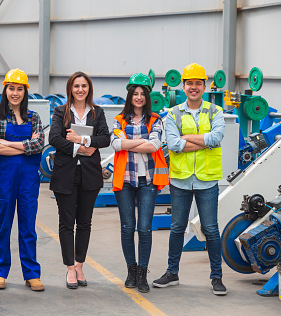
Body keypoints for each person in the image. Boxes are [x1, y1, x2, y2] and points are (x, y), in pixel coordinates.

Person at [152, 63, 227, 295]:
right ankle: (172, 272)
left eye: (198, 83)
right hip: (181, 179)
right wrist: (201, 140)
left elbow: (216, 139)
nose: (193, 87)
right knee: (176, 228)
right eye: (189, 83)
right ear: (183, 86)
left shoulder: (216, 111)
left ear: (204, 86)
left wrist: (188, 138)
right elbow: (173, 144)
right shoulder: (173, 113)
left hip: (207, 180)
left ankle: (217, 277)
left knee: (211, 229)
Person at [48, 71, 110, 289]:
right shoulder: (60, 112)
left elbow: (105, 138)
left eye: (84, 86)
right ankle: (69, 269)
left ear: (89, 89)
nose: (80, 90)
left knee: (84, 222)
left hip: (89, 175)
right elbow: (54, 138)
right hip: (66, 175)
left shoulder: (97, 113)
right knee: (67, 223)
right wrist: (81, 147)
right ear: (70, 89)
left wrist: (82, 138)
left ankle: (80, 264)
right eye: (76, 86)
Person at [0, 68, 45, 291]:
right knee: (2, 224)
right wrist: (25, 147)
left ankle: (31, 273)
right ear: (5, 90)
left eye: (19, 89)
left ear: (25, 92)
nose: (15, 93)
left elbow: (39, 146)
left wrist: (9, 144)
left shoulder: (34, 117)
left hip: (29, 179)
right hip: (5, 178)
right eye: (11, 88)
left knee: (28, 226)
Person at [111, 73, 168, 293]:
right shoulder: (119, 119)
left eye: (142, 93)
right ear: (129, 95)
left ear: (147, 96)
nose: (138, 97)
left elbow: (154, 146)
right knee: (127, 227)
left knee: (144, 228)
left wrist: (127, 143)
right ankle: (131, 271)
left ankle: (143, 273)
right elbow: (114, 143)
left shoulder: (155, 119)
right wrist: (140, 142)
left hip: (148, 181)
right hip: (124, 179)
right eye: (135, 93)